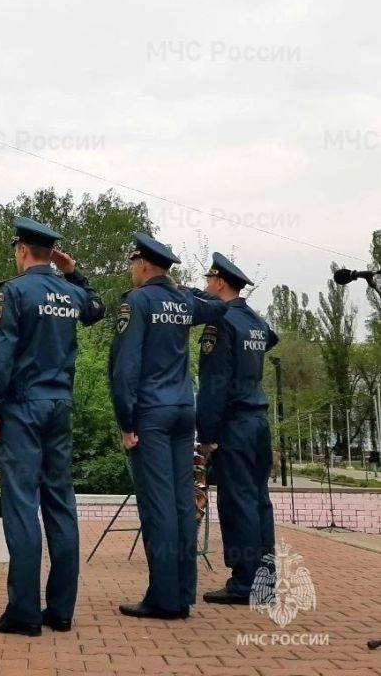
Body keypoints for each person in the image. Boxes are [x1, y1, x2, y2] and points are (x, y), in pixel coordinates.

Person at [0, 217, 106, 637]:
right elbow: (98, 308)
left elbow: (2, 355)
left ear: (21, 251)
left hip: (22, 407)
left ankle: (23, 612)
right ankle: (61, 610)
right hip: (59, 407)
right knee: (60, 503)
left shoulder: (13, 293)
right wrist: (74, 273)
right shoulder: (70, 294)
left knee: (20, 505)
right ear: (50, 254)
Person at [109, 232, 228, 620]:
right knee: (180, 503)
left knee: (158, 506)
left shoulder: (138, 302)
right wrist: (187, 289)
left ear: (143, 264)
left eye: (132, 264)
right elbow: (218, 306)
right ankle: (182, 593)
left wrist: (127, 422)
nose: (131, 271)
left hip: (152, 414)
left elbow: (126, 366)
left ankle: (162, 598)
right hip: (182, 410)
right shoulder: (183, 302)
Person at [195, 252, 279, 604]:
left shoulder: (222, 322)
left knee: (238, 502)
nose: (205, 287)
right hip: (259, 421)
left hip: (235, 425)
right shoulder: (256, 322)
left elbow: (214, 384)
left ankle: (245, 583)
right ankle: (265, 577)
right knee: (259, 501)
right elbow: (270, 340)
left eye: (208, 282)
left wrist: (207, 435)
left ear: (219, 283)